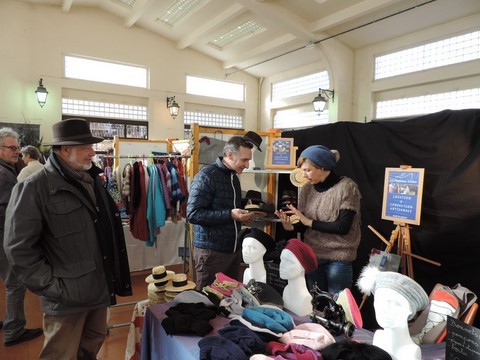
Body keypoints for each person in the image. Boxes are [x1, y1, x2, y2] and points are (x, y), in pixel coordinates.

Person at [4, 118, 132, 358]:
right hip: (65, 300)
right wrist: (54, 287)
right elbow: (19, 249)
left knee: (90, 347)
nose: (92, 153)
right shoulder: (34, 188)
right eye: (86, 148)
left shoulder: (92, 180)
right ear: (65, 150)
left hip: (98, 290)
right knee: (60, 355)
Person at [275, 145, 361, 294]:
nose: (304, 175)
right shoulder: (307, 189)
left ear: (323, 168)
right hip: (312, 256)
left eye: (308, 170)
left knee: (337, 306)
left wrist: (309, 222)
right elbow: (303, 225)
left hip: (338, 258)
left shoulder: (347, 188)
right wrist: (290, 227)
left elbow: (343, 227)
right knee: (315, 305)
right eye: (302, 171)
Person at [187, 135, 258, 290]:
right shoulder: (206, 176)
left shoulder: (234, 178)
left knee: (230, 301)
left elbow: (228, 209)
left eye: (248, 161)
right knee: (207, 302)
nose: (247, 165)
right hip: (211, 253)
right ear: (230, 155)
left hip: (232, 251)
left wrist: (242, 218)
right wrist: (230, 215)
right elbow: (193, 214)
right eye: (244, 160)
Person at [0, 128, 43, 346]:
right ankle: (14, 330)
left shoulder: (8, 170)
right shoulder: (4, 174)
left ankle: (9, 321)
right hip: (4, 237)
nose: (17, 151)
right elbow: (10, 211)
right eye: (11, 148)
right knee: (15, 283)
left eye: (18, 147)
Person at [357, 265, 429, 360]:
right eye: (380, 301)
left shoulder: (411, 353)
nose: (385, 309)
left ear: (410, 310)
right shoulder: (378, 337)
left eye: (396, 304)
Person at [279, 238, 317, 316]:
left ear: (303, 267)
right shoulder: (286, 290)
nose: (282, 266)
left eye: (289, 262)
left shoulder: (306, 299)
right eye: (281, 260)